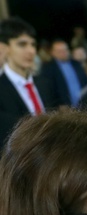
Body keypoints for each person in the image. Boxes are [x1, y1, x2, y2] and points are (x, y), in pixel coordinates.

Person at [0, 17, 57, 146]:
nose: (31, 51)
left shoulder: (45, 84)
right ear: (4, 47)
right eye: (22, 44)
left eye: (33, 44)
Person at [40, 38, 87, 106]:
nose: (64, 53)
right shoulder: (48, 68)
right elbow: (48, 90)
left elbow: (85, 81)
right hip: (64, 108)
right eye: (60, 51)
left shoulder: (76, 64)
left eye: (65, 50)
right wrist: (59, 105)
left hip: (84, 104)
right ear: (52, 53)